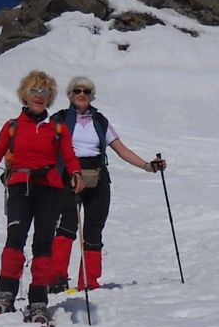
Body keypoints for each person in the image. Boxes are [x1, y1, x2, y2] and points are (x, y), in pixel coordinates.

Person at [0, 70, 84, 324]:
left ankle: (38, 301)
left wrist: (76, 173)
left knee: (43, 243)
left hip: (50, 189)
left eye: (44, 92)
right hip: (20, 187)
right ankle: (5, 296)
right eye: (34, 91)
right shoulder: (12, 127)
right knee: (15, 239)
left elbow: (69, 155)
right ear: (25, 94)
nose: (39, 96)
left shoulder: (57, 128)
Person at [50, 76, 166, 292]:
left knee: (94, 227)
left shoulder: (100, 121)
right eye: (77, 91)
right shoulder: (59, 119)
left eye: (86, 91)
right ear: (70, 95)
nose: (82, 94)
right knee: (67, 225)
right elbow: (44, 147)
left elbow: (121, 149)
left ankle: (89, 282)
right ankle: (56, 279)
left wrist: (147, 166)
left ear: (92, 96)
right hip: (68, 175)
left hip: (98, 177)